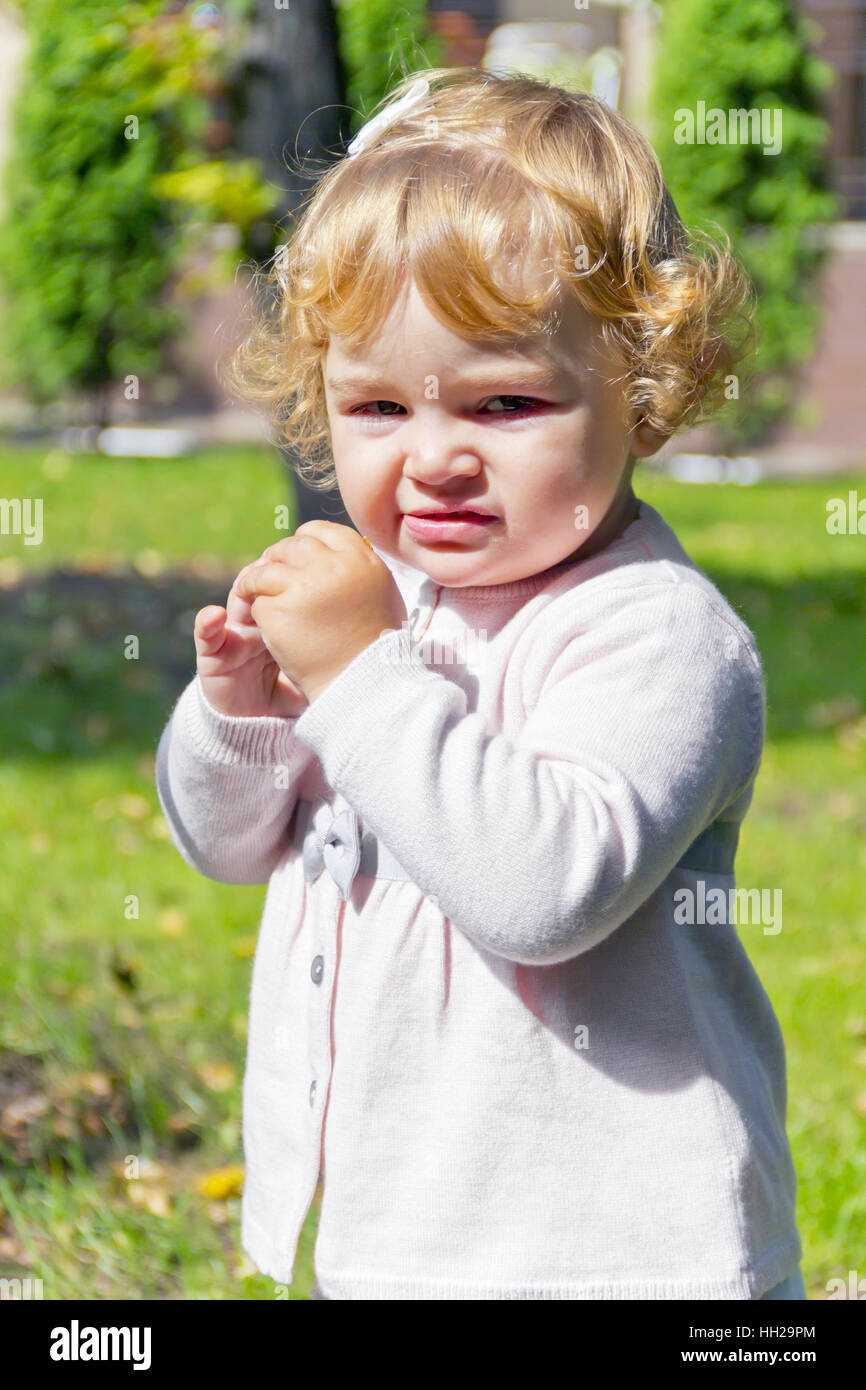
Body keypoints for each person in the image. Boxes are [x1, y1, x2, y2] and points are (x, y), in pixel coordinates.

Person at [155, 67, 805, 1300]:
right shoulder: (382, 612)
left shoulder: (657, 636)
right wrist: (238, 716)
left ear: (643, 389)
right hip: (406, 1238)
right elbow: (227, 848)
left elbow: (542, 890)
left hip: (624, 1256)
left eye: (505, 401)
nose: (435, 456)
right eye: (379, 405)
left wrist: (353, 673)